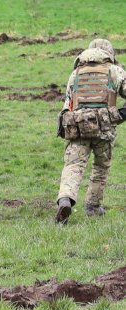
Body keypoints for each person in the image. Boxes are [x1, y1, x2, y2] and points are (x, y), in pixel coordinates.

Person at [54, 39, 126, 223]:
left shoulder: (76, 72)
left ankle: (65, 199)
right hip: (104, 129)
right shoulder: (114, 71)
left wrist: (64, 126)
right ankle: (93, 207)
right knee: (101, 167)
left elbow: (67, 103)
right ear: (109, 53)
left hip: (78, 128)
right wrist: (120, 114)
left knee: (73, 165)